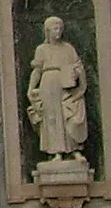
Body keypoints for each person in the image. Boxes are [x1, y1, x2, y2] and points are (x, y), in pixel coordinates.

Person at [25, 14, 89, 158]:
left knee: (69, 113)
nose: (58, 31)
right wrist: (30, 88)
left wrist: (80, 82)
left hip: (66, 84)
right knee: (51, 117)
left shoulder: (68, 48)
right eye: (55, 29)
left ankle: (74, 149)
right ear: (47, 31)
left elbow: (78, 66)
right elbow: (37, 71)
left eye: (60, 28)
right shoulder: (42, 49)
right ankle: (56, 152)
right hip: (48, 83)